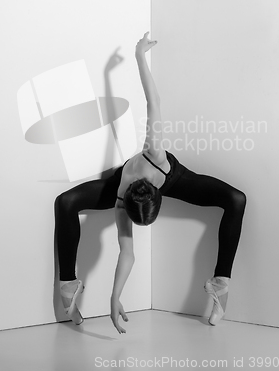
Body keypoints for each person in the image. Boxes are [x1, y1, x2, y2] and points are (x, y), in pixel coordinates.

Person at [54, 32, 246, 332]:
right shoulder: (120, 199)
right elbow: (127, 252)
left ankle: (221, 284)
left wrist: (139, 56)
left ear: (156, 194)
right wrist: (114, 297)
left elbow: (153, 101)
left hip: (173, 178)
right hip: (125, 182)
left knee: (236, 199)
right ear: (128, 203)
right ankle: (68, 286)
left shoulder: (156, 154)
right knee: (65, 202)